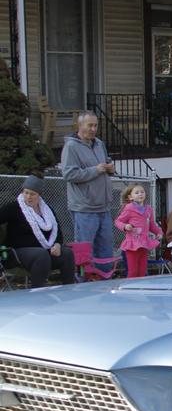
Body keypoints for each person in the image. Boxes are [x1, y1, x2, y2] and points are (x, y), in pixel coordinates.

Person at [60, 111, 116, 267]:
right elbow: (69, 174)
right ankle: (84, 284)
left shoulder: (99, 144)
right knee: (85, 252)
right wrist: (95, 170)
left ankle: (105, 281)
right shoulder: (71, 147)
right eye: (89, 125)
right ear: (79, 125)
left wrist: (111, 168)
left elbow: (106, 163)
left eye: (95, 125)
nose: (93, 129)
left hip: (104, 206)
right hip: (84, 208)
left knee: (106, 251)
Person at [0, 175, 76, 288]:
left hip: (44, 251)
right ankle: (38, 294)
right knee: (41, 254)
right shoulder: (14, 208)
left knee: (67, 253)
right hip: (16, 253)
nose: (28, 197)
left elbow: (57, 232)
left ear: (39, 195)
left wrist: (57, 244)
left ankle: (68, 291)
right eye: (26, 193)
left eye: (32, 194)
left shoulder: (47, 210)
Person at [114, 184, 163, 278]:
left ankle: (141, 289)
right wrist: (125, 226)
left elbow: (152, 224)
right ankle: (130, 290)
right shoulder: (129, 208)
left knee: (142, 270)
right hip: (132, 244)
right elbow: (118, 221)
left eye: (142, 192)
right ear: (130, 197)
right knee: (133, 271)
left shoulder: (148, 209)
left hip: (144, 243)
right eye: (137, 193)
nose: (140, 194)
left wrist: (158, 232)